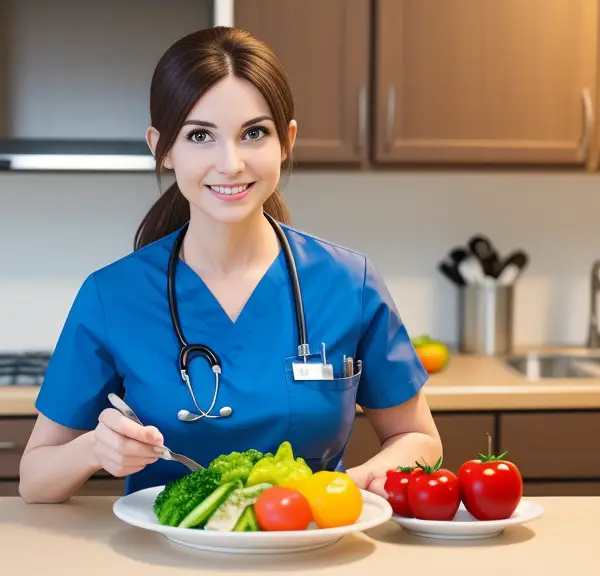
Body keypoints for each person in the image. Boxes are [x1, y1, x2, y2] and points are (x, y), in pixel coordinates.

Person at [19, 26, 442, 504]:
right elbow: (34, 479)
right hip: (165, 554)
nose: (231, 162)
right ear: (162, 147)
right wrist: (95, 450)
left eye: (254, 133)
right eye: (200, 135)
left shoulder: (349, 283)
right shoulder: (111, 296)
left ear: (287, 141)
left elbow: (419, 439)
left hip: (310, 543)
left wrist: (357, 483)